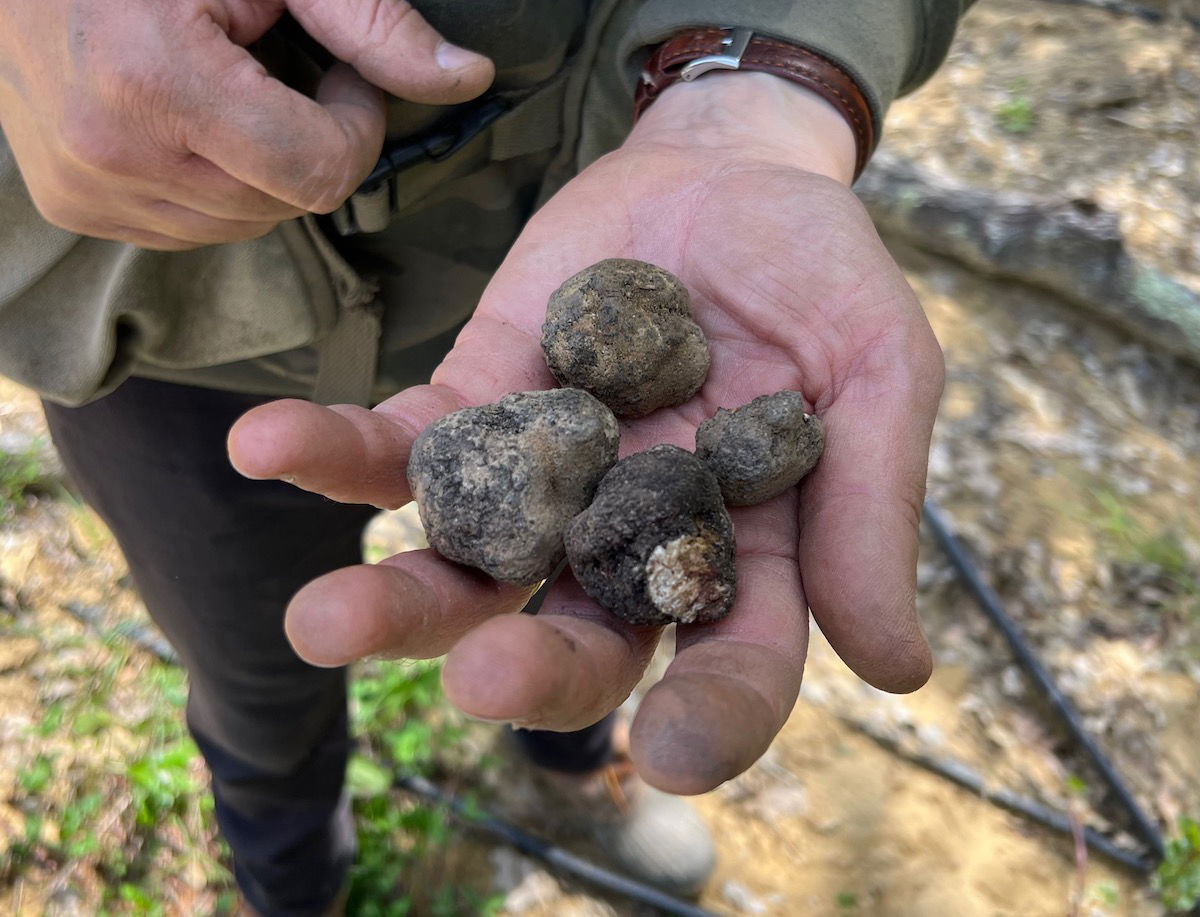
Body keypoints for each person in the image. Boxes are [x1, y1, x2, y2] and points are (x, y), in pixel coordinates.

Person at [0, 2, 972, 914]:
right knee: (256, 676)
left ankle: (568, 765)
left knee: (559, 632)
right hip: (171, 326)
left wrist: (761, 79)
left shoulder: (608, 417)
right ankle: (285, 870)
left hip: (551, 227)